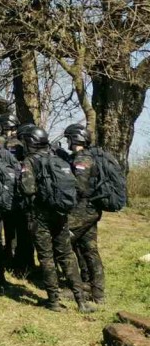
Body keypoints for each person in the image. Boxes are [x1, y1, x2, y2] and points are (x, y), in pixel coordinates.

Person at [19, 127, 93, 313]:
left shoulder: (30, 161)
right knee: (67, 255)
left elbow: (28, 189)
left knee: (46, 256)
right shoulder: (58, 158)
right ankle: (81, 301)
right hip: (61, 214)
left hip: (40, 215)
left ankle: (53, 300)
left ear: (30, 142)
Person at [63, 124, 106, 305]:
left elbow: (79, 187)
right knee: (88, 248)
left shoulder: (82, 160)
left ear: (76, 139)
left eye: (69, 139)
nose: (67, 142)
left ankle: (79, 287)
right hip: (90, 208)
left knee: (64, 242)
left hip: (83, 209)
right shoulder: (83, 157)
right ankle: (96, 292)